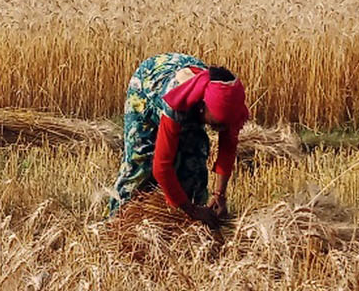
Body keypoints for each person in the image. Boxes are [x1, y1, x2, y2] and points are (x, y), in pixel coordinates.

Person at [107, 53, 251, 229]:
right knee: (141, 162)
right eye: (217, 124)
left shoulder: (230, 103)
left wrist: (219, 195)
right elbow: (161, 167)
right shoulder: (176, 104)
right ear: (202, 106)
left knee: (194, 163)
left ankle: (192, 227)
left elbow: (228, 149)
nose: (220, 129)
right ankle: (116, 222)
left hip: (191, 96)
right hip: (146, 88)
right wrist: (192, 211)